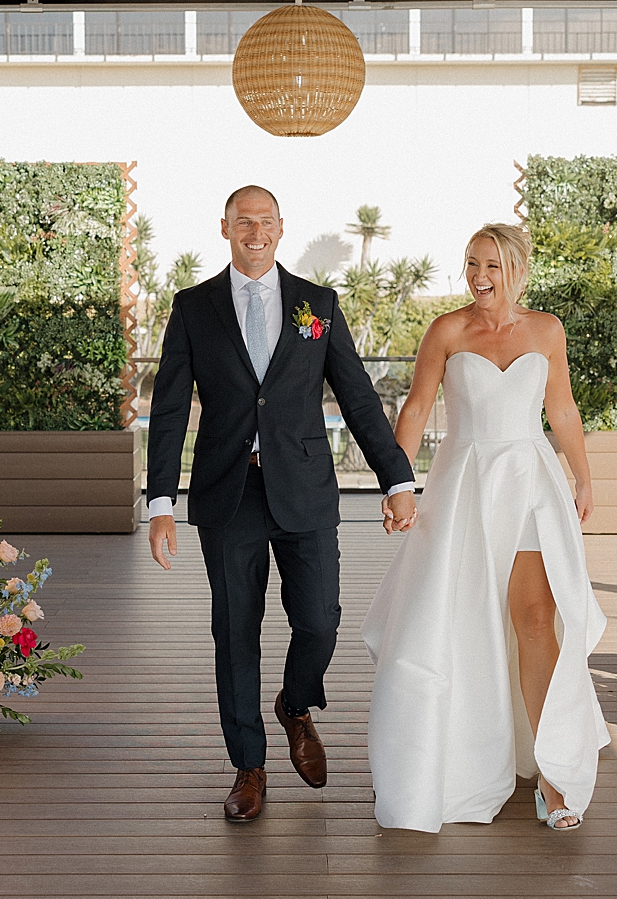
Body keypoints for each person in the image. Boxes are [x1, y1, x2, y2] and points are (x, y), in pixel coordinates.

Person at [146, 185, 418, 822]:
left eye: (265, 222)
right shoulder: (192, 307)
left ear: (281, 227)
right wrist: (161, 500)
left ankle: (296, 705)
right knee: (235, 632)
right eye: (244, 223)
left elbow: (356, 397)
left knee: (320, 619)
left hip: (304, 489)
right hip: (228, 492)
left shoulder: (317, 305)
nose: (256, 232)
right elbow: (166, 409)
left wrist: (398, 480)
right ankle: (249, 767)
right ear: (225, 228)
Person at [362, 222, 611, 834]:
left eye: (492, 266)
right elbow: (416, 407)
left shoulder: (545, 330)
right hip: (463, 488)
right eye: (472, 263)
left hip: (529, 485)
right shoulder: (447, 330)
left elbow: (562, 410)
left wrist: (582, 478)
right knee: (459, 619)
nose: (479, 276)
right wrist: (398, 486)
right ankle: (462, 761)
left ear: (517, 268)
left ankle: (553, 775)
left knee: (534, 623)